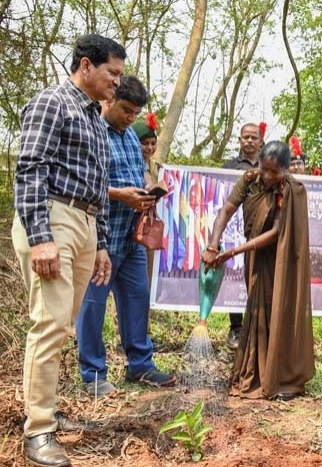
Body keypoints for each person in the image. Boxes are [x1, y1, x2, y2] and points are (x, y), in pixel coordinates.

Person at [11, 33, 125, 467]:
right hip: (52, 218)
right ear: (86, 66)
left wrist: (100, 245)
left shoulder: (97, 119)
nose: (117, 82)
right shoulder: (52, 102)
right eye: (112, 73)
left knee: (63, 325)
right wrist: (40, 236)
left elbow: (97, 186)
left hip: (84, 222)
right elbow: (31, 169)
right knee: (50, 322)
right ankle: (39, 429)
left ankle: (47, 411)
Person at [75, 75, 176, 400]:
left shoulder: (131, 138)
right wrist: (121, 195)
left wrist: (148, 190)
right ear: (109, 101)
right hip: (100, 237)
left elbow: (140, 171)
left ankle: (140, 364)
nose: (131, 117)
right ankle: (93, 374)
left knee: (137, 297)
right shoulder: (92, 133)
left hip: (131, 236)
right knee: (93, 305)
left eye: (136, 112)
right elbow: (80, 185)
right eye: (126, 110)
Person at [203, 141, 315, 400]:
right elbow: (227, 210)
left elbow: (276, 233)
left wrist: (233, 252)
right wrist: (213, 244)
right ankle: (255, 368)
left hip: (283, 259)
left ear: (286, 170)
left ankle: (282, 376)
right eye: (264, 169)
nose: (268, 176)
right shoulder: (249, 180)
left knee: (278, 311)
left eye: (274, 172)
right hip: (255, 257)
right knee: (257, 309)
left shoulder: (291, 190)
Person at [222, 123, 262, 349]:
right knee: (235, 275)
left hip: (260, 229)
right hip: (234, 228)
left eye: (253, 137)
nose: (249, 141)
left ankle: (257, 328)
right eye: (245, 138)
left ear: (260, 140)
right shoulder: (229, 166)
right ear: (239, 140)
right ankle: (236, 328)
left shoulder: (269, 163)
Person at [132, 113, 164, 351]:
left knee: (145, 283)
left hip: (148, 233)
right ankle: (131, 333)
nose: (149, 147)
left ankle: (145, 332)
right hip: (129, 229)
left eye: (153, 143)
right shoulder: (132, 162)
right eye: (145, 143)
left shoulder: (157, 168)